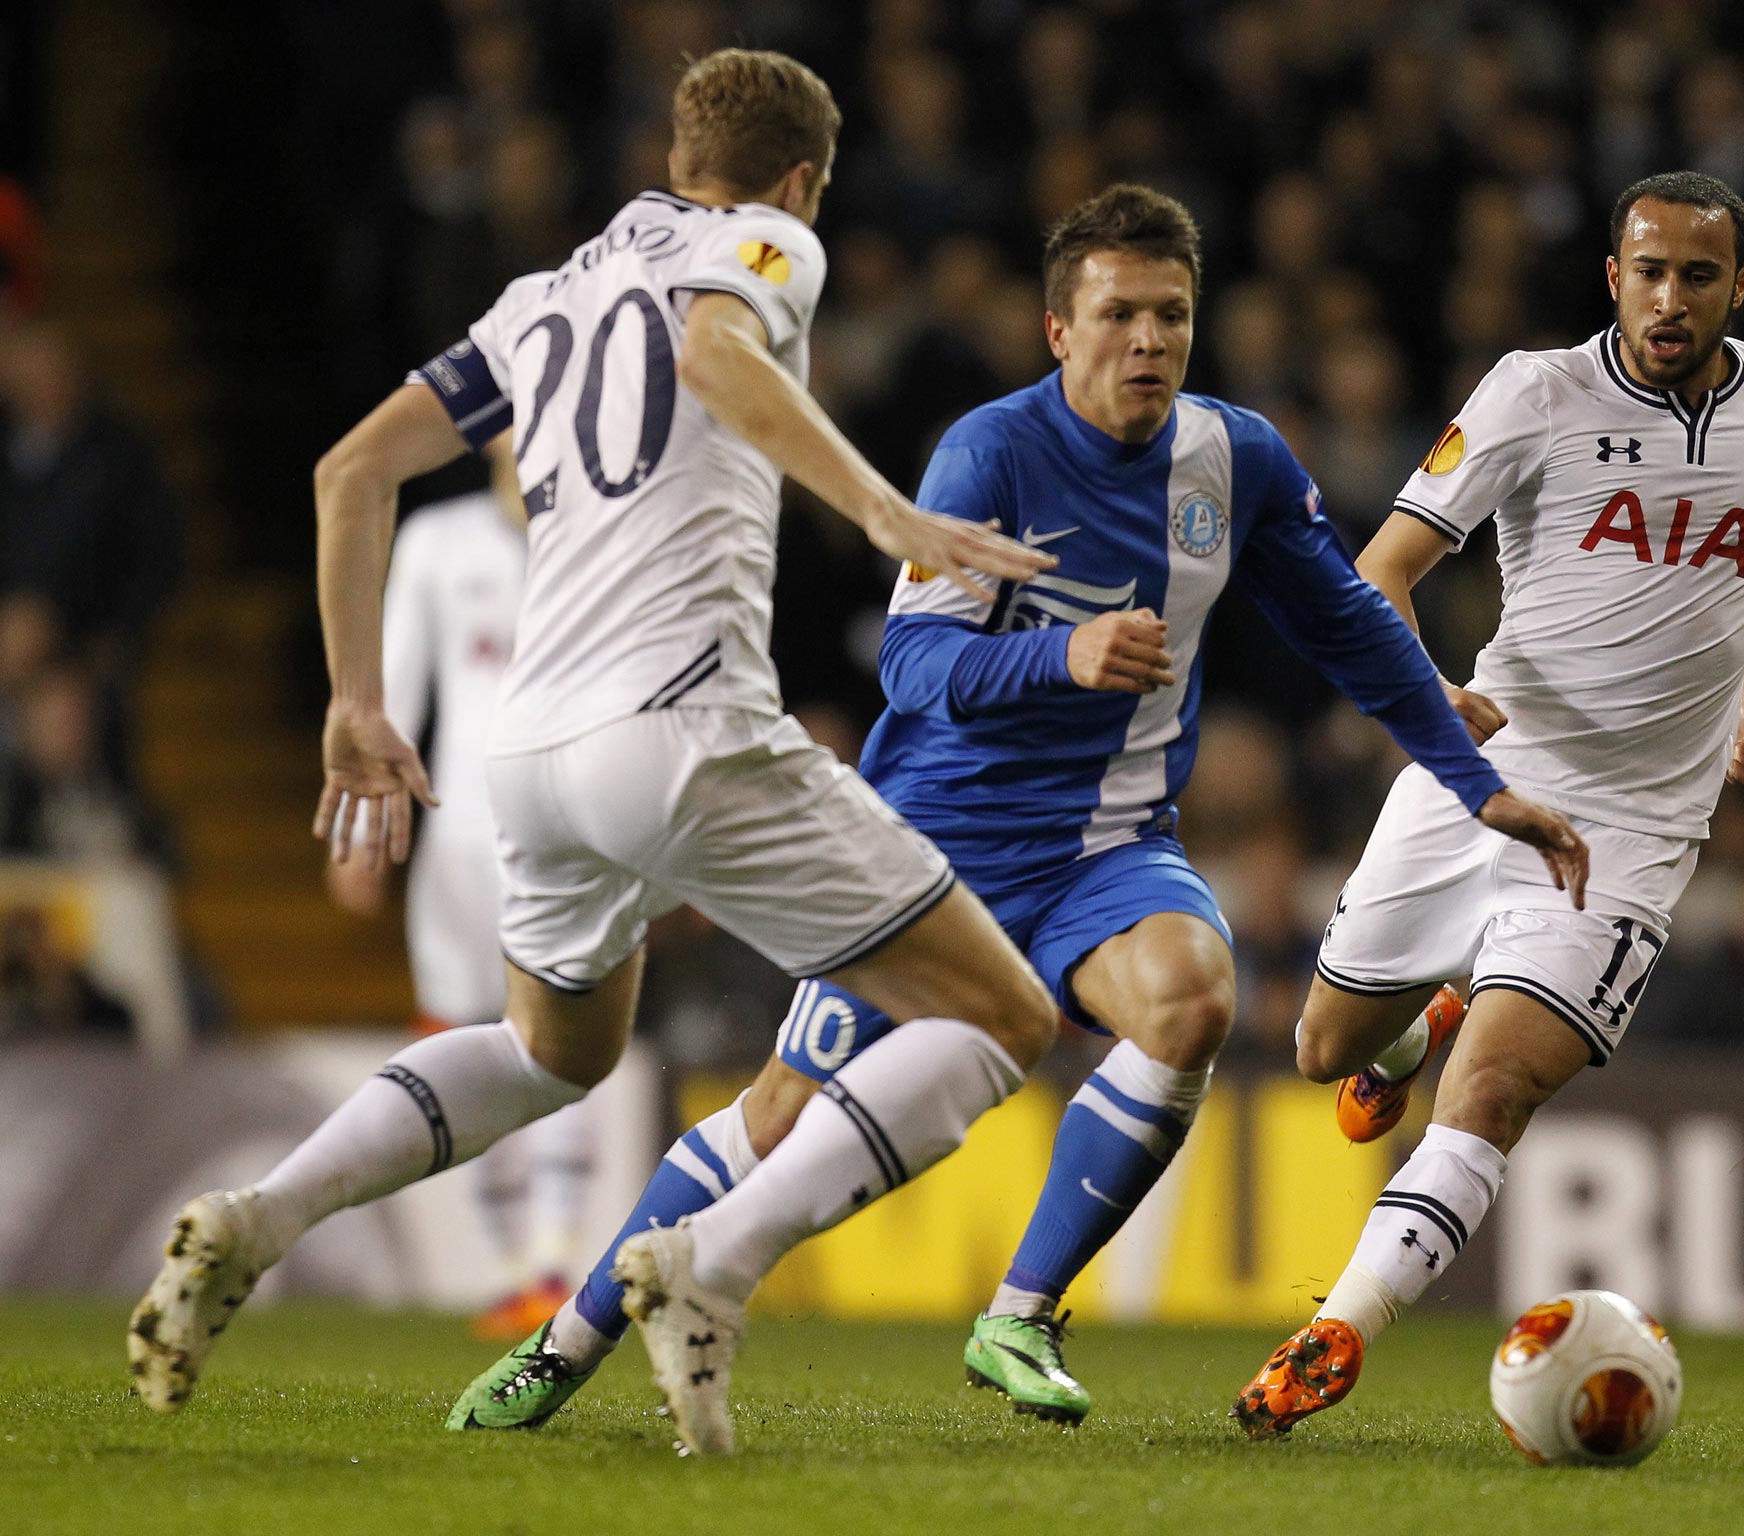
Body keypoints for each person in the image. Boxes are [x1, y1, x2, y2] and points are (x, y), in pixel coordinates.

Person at [447, 183, 1587, 1432]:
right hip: (930, 851)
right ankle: (563, 1346)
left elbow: (1352, 631)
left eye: (1170, 315)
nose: (1146, 340)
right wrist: (1063, 655)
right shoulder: (988, 454)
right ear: (1059, 330)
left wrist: (1481, 792)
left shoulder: (1234, 458)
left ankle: (1019, 1315)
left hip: (1108, 850)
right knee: (777, 1116)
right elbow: (913, 667)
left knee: (1191, 997)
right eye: (1117, 315)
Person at [127, 49, 1068, 1460]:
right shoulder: (771, 243)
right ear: (802, 177)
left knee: (556, 1048)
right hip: (685, 725)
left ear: (675, 153)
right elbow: (710, 351)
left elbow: (349, 474)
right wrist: (885, 515)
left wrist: (355, 701)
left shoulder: (537, 297)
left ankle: (262, 1215)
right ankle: (718, 1264)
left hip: (537, 756)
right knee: (1003, 1018)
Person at [1232, 170, 1744, 1437]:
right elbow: (1379, 570)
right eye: (1647, 272)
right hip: (1479, 782)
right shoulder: (1534, 391)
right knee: (1321, 1050)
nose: (1670, 299)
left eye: (1697, 275)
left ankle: (1333, 1332)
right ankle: (1412, 1023)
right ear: (1611, 277)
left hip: (1627, 832)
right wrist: (1424, 697)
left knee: (1494, 1089)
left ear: (1740, 287)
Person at [325, 437, 598, 1341]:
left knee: (557, 1046)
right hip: (459, 841)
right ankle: (513, 1272)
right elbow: (394, 683)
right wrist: (366, 820)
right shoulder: (438, 540)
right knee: (460, 1040)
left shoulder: (598, 535)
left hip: (569, 833)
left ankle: (556, 1263)